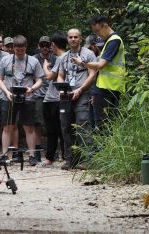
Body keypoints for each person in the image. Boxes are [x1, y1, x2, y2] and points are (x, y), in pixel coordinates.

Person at [0, 35, 45, 166]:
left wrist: (32, 88)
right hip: (9, 96)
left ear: (26, 47)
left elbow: (40, 79)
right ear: (13, 48)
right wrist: (6, 92)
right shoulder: (6, 60)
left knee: (29, 126)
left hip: (27, 97)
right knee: (7, 126)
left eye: (22, 50)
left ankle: (32, 155)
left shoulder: (33, 61)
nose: (20, 52)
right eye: (17, 50)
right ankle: (4, 155)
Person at [71, 16, 126, 127]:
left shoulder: (114, 41)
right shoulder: (109, 41)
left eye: (97, 31)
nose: (97, 35)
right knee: (100, 122)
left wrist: (82, 63)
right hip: (105, 87)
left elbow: (100, 65)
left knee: (102, 124)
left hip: (108, 88)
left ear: (104, 25)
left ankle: (104, 144)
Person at [57, 28, 97, 170]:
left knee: (82, 125)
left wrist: (80, 90)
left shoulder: (89, 54)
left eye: (76, 37)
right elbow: (60, 75)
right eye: (70, 37)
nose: (73, 39)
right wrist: (61, 88)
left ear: (80, 38)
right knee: (66, 126)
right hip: (67, 95)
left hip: (83, 93)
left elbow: (92, 74)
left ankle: (88, 159)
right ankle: (70, 159)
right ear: (67, 39)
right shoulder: (64, 57)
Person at [41, 31, 67, 166]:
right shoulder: (63, 57)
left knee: (58, 129)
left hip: (56, 99)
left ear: (53, 45)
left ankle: (61, 156)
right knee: (53, 130)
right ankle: (52, 157)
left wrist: (45, 67)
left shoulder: (62, 58)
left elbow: (50, 76)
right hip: (50, 98)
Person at [33, 36, 57, 161]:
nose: (44, 48)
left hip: (53, 95)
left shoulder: (56, 58)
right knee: (38, 123)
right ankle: (37, 150)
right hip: (38, 95)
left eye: (47, 45)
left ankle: (52, 150)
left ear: (51, 46)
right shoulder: (34, 59)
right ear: (39, 46)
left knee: (53, 124)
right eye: (42, 45)